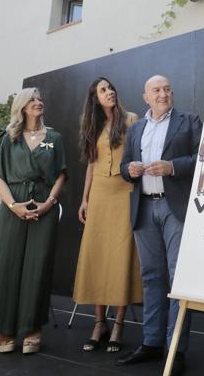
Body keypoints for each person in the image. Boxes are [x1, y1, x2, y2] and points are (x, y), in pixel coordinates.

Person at [117, 75, 202, 375]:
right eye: (157, 90)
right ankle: (152, 343)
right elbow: (124, 167)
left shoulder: (190, 121)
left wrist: (172, 166)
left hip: (174, 206)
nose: (163, 93)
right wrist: (128, 168)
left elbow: (203, 159)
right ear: (146, 97)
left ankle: (175, 349)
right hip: (144, 206)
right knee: (151, 276)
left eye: (167, 88)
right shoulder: (136, 128)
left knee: (178, 280)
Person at [0, 87, 66, 354]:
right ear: (22, 107)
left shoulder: (54, 138)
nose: (38, 102)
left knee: (36, 268)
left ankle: (32, 328)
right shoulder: (10, 138)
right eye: (32, 100)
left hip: (44, 204)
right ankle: (5, 328)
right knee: (6, 264)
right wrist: (13, 205)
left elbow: (61, 174)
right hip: (13, 205)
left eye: (40, 99)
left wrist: (48, 204)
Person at [73, 77, 143, 353]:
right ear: (95, 98)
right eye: (103, 90)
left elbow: (139, 153)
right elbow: (91, 164)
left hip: (125, 191)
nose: (109, 92)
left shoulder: (132, 119)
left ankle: (119, 324)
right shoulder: (92, 126)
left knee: (120, 257)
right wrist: (84, 199)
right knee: (99, 255)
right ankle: (99, 322)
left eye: (111, 87)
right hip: (100, 194)